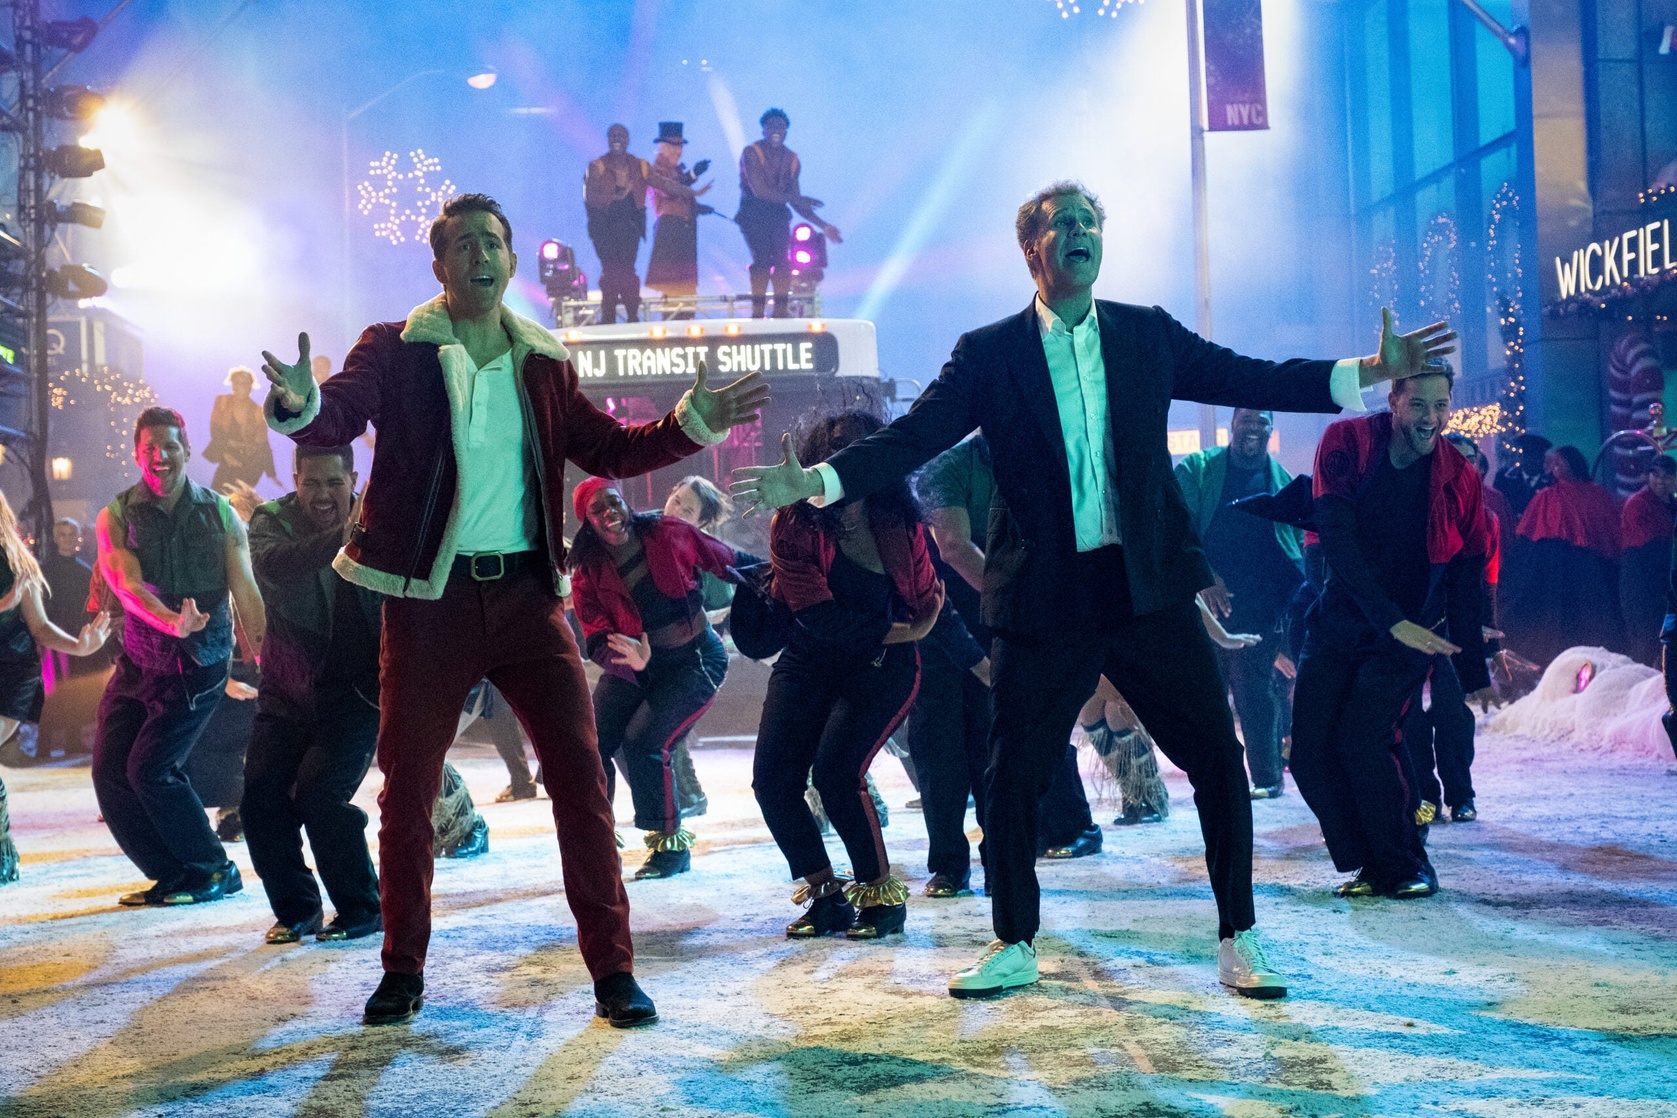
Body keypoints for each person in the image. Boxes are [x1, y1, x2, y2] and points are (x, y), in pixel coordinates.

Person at [732, 179, 1456, 1000]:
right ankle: (1012, 940)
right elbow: (911, 436)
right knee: (1012, 774)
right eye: (1061, 223)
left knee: (1217, 761)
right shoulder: (989, 352)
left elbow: (1252, 376)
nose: (1078, 231)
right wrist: (819, 480)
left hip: (1144, 588)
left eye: (1088, 222)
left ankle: (1238, 936)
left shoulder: (1144, 333)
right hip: (1044, 596)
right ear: (1031, 250)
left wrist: (1369, 370)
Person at [259, 192, 768, 1028]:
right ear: (439, 265)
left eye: (491, 243)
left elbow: (610, 448)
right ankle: (402, 970)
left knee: (581, 782)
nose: (479, 256)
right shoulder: (395, 348)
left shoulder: (542, 361)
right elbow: (337, 413)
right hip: (430, 603)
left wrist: (690, 423)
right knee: (407, 794)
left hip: (529, 601)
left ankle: (614, 972)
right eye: (462, 244)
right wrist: (300, 404)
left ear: (510, 260)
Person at [1289, 367, 1493, 900]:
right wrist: (1387, 617)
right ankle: (1372, 859)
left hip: (1410, 635)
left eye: (1441, 405)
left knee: (1365, 739)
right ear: (1394, 399)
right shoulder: (1347, 442)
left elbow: (1466, 574)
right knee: (1308, 753)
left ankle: (1404, 861)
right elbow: (1336, 541)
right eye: (1419, 404)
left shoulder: (1459, 476)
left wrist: (1473, 667)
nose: (1431, 418)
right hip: (1340, 623)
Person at [754, 410, 942, 940]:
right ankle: (825, 897)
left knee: (837, 775)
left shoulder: (899, 518)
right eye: (838, 453)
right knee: (773, 782)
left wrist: (914, 630)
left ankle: (881, 899)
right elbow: (820, 618)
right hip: (812, 656)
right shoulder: (794, 521)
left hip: (882, 667)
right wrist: (906, 631)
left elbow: (926, 599)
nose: (850, 463)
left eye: (862, 453)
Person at [92, 406, 266, 908]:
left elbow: (246, 590)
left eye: (169, 446)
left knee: (151, 769)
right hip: (140, 660)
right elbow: (125, 585)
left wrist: (266, 657)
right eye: (150, 448)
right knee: (109, 771)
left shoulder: (221, 513)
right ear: (137, 454)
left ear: (187, 450)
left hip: (198, 663)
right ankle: (172, 873)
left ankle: (213, 868)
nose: (160, 456)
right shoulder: (115, 515)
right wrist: (169, 620)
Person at [241, 443, 386, 946]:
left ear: (353, 480)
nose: (323, 494)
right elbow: (274, 564)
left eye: (334, 482)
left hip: (356, 695)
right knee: (260, 798)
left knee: (320, 795)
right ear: (295, 481)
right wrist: (341, 539)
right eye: (312, 483)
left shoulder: (383, 518)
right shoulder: (271, 520)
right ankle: (298, 910)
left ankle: (362, 907)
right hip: (287, 693)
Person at [569, 477, 738, 879]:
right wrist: (631, 661)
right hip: (636, 667)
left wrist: (781, 580)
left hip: (694, 659)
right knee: (590, 744)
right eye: (598, 510)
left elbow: (731, 561)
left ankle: (670, 847)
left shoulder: (667, 532)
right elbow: (596, 639)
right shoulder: (586, 571)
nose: (610, 513)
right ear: (588, 522)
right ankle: (598, 843)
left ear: (625, 503)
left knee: (644, 741)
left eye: (614, 502)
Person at [1175, 408, 1305, 798]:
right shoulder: (1199, 469)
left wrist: (1290, 623)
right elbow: (1177, 526)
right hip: (1205, 602)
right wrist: (1205, 577)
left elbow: (1298, 550)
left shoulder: (1283, 482)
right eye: (1246, 419)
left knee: (1254, 692)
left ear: (1271, 428)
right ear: (1232, 424)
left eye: (1261, 421)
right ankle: (1218, 777)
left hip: (1263, 606)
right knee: (1207, 694)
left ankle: (1267, 779)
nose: (1252, 427)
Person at [0, 491, 111, 885]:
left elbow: (41, 627)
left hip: (11, 672)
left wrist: (81, 646)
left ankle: (3, 853)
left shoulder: (18, 563)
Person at [1506, 444, 1624, 665]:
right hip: (1569, 570)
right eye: (1552, 464)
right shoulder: (1552, 496)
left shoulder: (1585, 495)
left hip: (1583, 570)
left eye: (1558, 463)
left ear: (1572, 464)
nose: (1553, 468)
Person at [735, 108, 842, 319]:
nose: (777, 130)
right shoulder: (752, 152)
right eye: (772, 126)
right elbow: (760, 191)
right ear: (764, 129)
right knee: (763, 260)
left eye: (782, 127)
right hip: (753, 215)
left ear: (786, 131)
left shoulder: (792, 159)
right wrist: (796, 199)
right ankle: (757, 312)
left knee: (783, 262)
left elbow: (796, 201)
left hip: (778, 215)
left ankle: (780, 311)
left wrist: (824, 225)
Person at [585, 124, 651, 324]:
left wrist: (691, 187)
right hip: (605, 229)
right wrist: (616, 196)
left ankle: (632, 315)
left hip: (630, 227)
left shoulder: (639, 166)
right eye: (613, 136)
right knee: (611, 271)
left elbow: (664, 183)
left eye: (621, 136)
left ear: (627, 140)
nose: (617, 139)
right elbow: (591, 198)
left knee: (628, 271)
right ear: (608, 139)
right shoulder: (597, 166)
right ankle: (609, 316)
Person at [645, 122, 712, 315]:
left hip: (684, 230)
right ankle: (674, 325)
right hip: (670, 232)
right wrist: (693, 180)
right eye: (673, 146)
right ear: (662, 147)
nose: (678, 151)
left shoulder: (675, 170)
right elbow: (670, 189)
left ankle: (686, 322)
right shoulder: (656, 170)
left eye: (680, 146)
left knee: (686, 289)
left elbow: (680, 188)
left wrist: (697, 207)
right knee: (672, 287)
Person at [1620, 455, 1676, 666]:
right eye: (1656, 475)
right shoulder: (1637, 504)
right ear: (1648, 476)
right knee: (1645, 642)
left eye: (1666, 476)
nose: (1660, 480)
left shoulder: (1672, 505)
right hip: (1641, 584)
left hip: (1664, 586)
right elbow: (1646, 547)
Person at [205, 366, 280, 493]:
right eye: (238, 383)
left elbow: (263, 443)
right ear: (232, 384)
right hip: (226, 459)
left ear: (251, 386)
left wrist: (272, 474)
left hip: (248, 464)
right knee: (217, 495)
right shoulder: (222, 401)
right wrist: (225, 452)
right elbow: (215, 430)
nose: (242, 387)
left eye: (246, 384)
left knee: (239, 498)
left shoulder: (258, 411)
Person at [1494, 433, 1552, 521]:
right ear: (1521, 457)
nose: (1532, 461)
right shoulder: (1503, 478)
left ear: (1542, 459)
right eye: (1528, 456)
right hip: (1511, 526)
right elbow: (1497, 505)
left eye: (1537, 457)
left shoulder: (1551, 481)